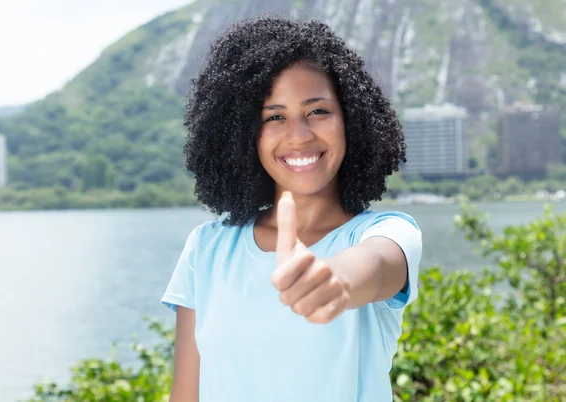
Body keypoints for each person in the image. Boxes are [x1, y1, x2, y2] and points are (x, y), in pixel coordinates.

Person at [161, 16, 422, 402]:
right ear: (243, 133)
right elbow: (186, 395)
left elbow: (374, 266)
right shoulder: (206, 248)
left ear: (350, 119)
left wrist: (333, 279)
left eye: (318, 111)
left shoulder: (387, 234)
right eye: (275, 116)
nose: (299, 135)